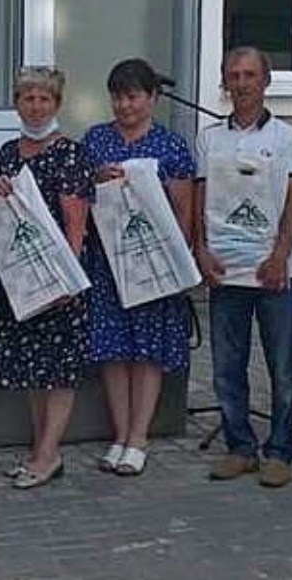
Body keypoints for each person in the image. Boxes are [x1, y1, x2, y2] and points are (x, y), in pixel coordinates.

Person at [0, 66, 94, 490]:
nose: (36, 106)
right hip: (18, 282)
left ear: (56, 104)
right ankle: (41, 449)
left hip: (56, 280)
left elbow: (76, 223)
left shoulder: (70, 153)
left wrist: (67, 280)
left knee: (57, 370)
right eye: (28, 98)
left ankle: (47, 453)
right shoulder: (9, 150)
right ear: (17, 102)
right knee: (33, 369)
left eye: (44, 99)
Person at [195, 47, 292, 489]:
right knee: (227, 365)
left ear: (266, 81)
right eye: (233, 75)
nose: (241, 83)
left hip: (273, 269)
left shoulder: (288, 137)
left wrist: (281, 253)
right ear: (224, 82)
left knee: (282, 365)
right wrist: (201, 248)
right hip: (224, 269)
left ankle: (279, 451)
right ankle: (240, 448)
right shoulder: (209, 138)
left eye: (249, 75)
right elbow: (200, 197)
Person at [79, 58, 195, 477]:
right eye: (117, 97)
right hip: (108, 262)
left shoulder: (171, 145)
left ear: (153, 97)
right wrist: (94, 179)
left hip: (153, 263)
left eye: (132, 96)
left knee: (147, 350)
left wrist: (180, 264)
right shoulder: (95, 140)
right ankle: (120, 433)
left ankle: (139, 437)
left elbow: (184, 211)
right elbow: (76, 196)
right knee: (113, 350)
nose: (124, 105)